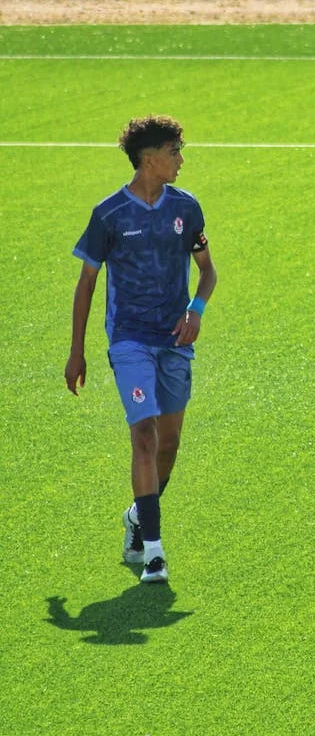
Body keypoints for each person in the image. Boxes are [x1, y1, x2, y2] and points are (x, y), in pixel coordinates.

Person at [64, 115, 217, 584]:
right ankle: (153, 551)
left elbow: (208, 273)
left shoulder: (187, 208)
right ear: (149, 159)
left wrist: (195, 310)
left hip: (174, 342)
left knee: (169, 444)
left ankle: (137, 514)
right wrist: (77, 351)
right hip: (129, 340)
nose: (181, 160)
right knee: (144, 437)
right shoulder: (109, 214)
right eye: (174, 152)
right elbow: (86, 284)